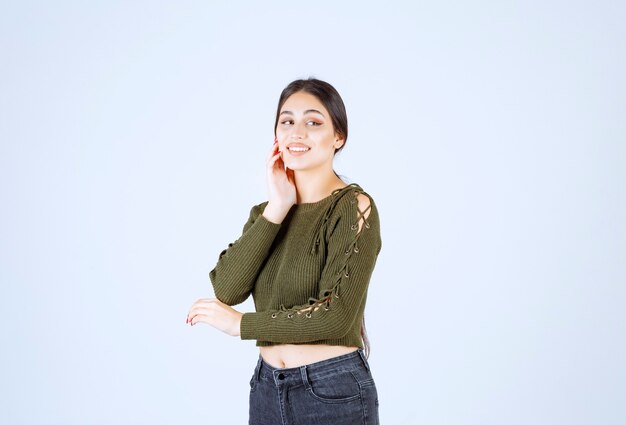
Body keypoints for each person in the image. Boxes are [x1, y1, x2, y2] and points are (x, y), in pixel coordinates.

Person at [186, 77, 382, 424]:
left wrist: (243, 325)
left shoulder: (354, 207)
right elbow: (228, 290)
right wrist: (278, 206)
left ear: (339, 137)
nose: (297, 132)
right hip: (266, 387)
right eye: (287, 121)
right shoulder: (267, 212)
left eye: (313, 122)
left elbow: (335, 314)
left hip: (331, 391)